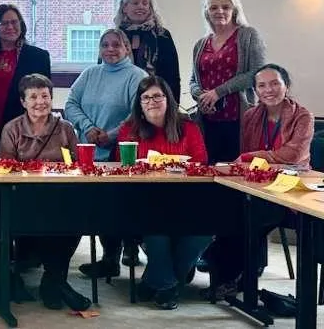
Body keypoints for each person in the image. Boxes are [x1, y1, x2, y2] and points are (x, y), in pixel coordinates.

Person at [202, 64, 314, 300]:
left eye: (275, 84)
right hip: (257, 186)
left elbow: (292, 155)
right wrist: (254, 159)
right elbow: (248, 157)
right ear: (255, 90)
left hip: (291, 190)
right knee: (227, 210)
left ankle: (233, 277)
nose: (268, 90)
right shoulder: (251, 116)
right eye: (262, 85)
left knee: (250, 218)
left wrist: (254, 157)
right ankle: (228, 275)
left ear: (286, 86)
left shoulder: (303, 116)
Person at [0, 74, 92, 312]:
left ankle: (52, 280)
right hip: (24, 197)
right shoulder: (12, 129)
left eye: (45, 96)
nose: (40, 102)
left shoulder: (65, 128)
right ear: (23, 101)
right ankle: (56, 284)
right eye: (33, 97)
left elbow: (77, 167)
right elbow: (5, 169)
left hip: (60, 196)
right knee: (46, 220)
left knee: (77, 217)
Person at [119, 76, 210, 310]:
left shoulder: (188, 127)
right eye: (146, 97)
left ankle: (154, 280)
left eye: (157, 96)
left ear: (168, 99)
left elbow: (201, 163)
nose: (152, 101)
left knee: (205, 232)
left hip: (185, 198)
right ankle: (168, 286)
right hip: (143, 200)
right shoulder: (129, 130)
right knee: (157, 228)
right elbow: (123, 168)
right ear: (139, 103)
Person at [65, 28, 148, 279]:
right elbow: (71, 104)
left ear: (127, 48)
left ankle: (123, 252)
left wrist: (111, 135)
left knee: (116, 208)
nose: (110, 49)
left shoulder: (137, 76)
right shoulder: (90, 74)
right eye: (105, 45)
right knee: (95, 208)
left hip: (120, 152)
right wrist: (88, 128)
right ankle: (107, 259)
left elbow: (137, 113)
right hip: (89, 152)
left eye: (116, 44)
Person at [188, 0, 267, 164]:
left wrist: (218, 92)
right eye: (213, 7)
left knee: (236, 171)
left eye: (225, 7)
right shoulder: (201, 44)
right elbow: (193, 80)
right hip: (207, 119)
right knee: (208, 170)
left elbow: (257, 73)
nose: (220, 11)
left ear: (234, 9)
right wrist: (202, 97)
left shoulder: (248, 35)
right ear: (207, 12)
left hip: (238, 118)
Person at [0, 4, 51, 160]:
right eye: (4, 23)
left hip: (22, 133)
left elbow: (43, 97)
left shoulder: (38, 56)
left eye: (14, 22)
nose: (10, 27)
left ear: (21, 25)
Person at [116, 0, 181, 100]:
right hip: (121, 99)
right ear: (124, 7)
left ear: (150, 8)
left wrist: (173, 105)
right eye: (135, 3)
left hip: (155, 100)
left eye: (145, 3)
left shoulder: (162, 35)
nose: (141, 7)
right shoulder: (115, 36)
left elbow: (172, 76)